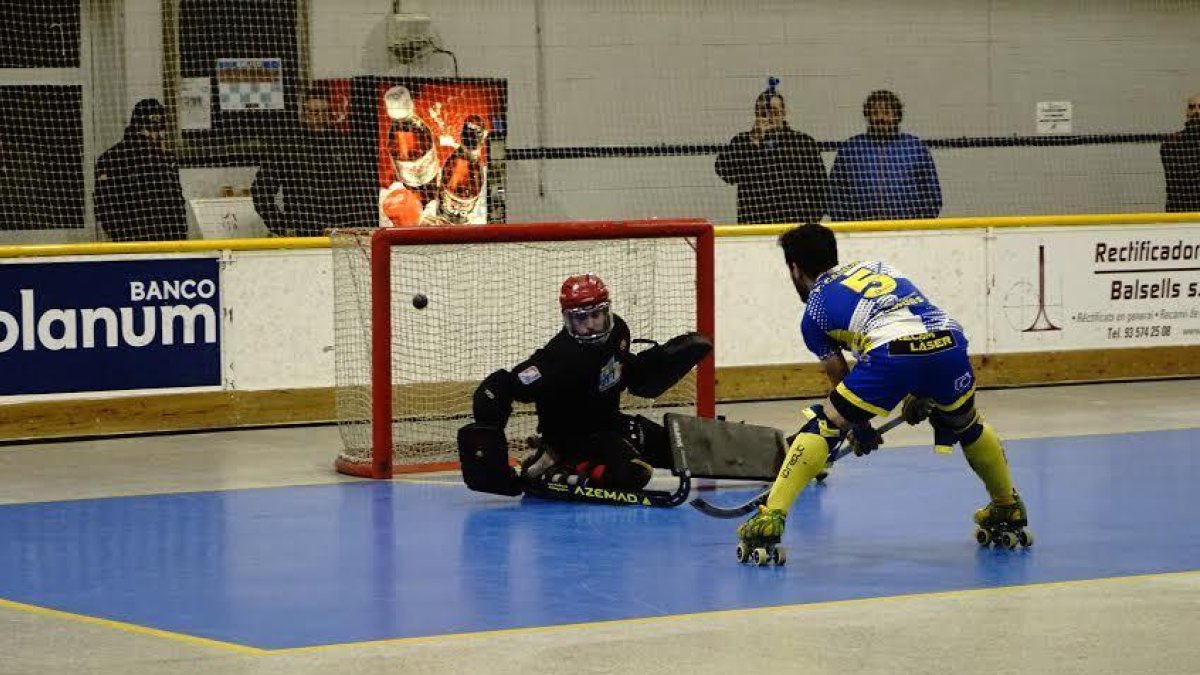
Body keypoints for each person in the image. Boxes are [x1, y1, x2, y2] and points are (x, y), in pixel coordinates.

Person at [736, 223, 1030, 563]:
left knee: (825, 424)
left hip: (894, 352)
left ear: (794, 269)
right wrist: (920, 391)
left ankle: (770, 518)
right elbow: (909, 321)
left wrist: (858, 426)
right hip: (948, 341)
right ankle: (1007, 507)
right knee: (967, 424)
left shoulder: (814, 309)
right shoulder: (877, 266)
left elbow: (840, 374)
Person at [459, 274, 712, 495]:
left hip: (610, 424)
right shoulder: (557, 359)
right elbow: (497, 389)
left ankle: (558, 461)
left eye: (596, 314)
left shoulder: (618, 332)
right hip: (572, 439)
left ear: (607, 310)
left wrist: (669, 360)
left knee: (683, 450)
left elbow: (633, 376)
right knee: (632, 473)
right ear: (568, 319)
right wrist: (489, 462)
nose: (591, 324)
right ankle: (554, 460)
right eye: (581, 318)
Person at [715, 78, 827, 225]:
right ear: (756, 113)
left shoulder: (803, 142)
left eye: (774, 112)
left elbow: (820, 187)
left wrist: (809, 221)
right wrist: (753, 141)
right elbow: (726, 174)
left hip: (795, 224)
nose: (769, 117)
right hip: (754, 224)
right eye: (763, 112)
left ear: (783, 113)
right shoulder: (742, 141)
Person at [252, 86, 358, 236]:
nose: (319, 117)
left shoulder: (344, 145)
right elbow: (261, 191)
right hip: (303, 232)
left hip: (342, 232)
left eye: (324, 112)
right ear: (304, 114)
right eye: (314, 112)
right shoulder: (288, 147)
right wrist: (281, 226)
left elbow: (357, 190)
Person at [828, 90, 942, 222]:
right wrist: (848, 224)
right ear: (867, 116)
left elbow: (932, 194)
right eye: (875, 113)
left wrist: (918, 225)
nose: (881, 118)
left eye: (887, 113)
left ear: (897, 116)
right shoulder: (851, 148)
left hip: (909, 230)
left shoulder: (915, 147)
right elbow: (834, 193)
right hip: (860, 231)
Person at [94, 98, 189, 241]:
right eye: (150, 129)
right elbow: (105, 205)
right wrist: (121, 236)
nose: (156, 135)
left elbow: (177, 202)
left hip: (168, 242)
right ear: (137, 127)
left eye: (160, 129)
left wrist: (179, 237)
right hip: (130, 243)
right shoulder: (111, 159)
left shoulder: (167, 159)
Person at [1161, 92, 1200, 213]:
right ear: (1187, 112)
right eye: (1192, 107)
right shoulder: (1172, 144)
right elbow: (1184, 180)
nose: (1196, 111)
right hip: (1181, 213)